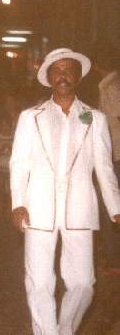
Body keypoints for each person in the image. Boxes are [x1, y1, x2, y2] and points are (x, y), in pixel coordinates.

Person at [10, 48, 120, 335]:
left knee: (84, 283)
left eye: (69, 69)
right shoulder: (29, 117)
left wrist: (116, 208)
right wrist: (17, 203)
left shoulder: (95, 119)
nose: (63, 75)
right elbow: (19, 164)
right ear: (48, 77)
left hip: (80, 209)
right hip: (38, 207)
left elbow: (105, 168)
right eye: (57, 70)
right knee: (40, 282)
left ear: (78, 76)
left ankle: (64, 330)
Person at [93, 46, 120, 276]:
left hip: (115, 155)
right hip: (112, 154)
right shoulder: (108, 85)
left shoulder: (111, 86)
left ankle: (114, 261)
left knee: (110, 204)